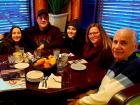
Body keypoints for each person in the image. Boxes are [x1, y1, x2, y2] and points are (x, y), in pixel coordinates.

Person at [72, 28, 140, 105]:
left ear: (135, 46)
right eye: (115, 42)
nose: (117, 47)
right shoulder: (118, 60)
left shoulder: (135, 66)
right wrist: (89, 93)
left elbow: (106, 98)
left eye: (123, 43)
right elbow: (105, 85)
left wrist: (80, 101)